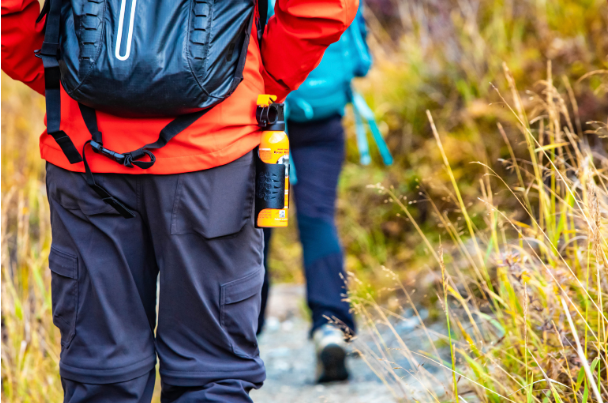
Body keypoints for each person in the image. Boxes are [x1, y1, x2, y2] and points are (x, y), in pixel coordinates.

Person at [1, 0, 359, 401]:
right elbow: (322, 7)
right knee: (211, 375)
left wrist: (68, 76)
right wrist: (257, 79)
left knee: (101, 374)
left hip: (86, 152)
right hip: (213, 159)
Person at [257, 1, 374, 383]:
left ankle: (238, 336)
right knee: (317, 218)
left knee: (257, 226)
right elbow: (361, 61)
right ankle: (331, 327)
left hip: (264, 120)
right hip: (323, 120)